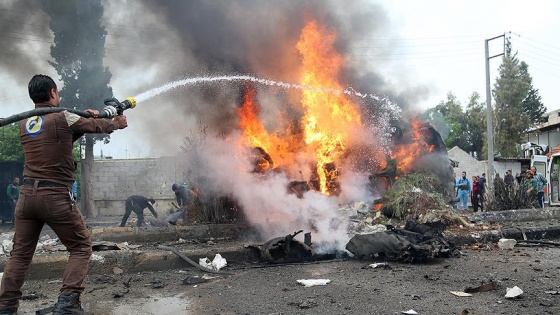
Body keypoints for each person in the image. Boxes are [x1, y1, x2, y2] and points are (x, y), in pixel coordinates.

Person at [0, 74, 127, 315]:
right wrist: (114, 123)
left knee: (20, 255)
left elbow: (59, 139)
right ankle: (67, 303)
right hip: (54, 195)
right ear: (52, 93)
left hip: (27, 198)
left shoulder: (25, 123)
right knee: (80, 246)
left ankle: (5, 306)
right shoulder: (63, 116)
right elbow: (96, 127)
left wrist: (83, 118)